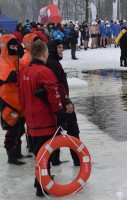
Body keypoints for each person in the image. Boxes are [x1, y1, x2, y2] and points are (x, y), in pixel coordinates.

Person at [18, 40, 68, 197]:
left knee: (38, 154)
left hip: (30, 121)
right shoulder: (44, 72)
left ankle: (39, 179)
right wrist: (61, 114)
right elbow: (54, 96)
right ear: (44, 52)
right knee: (44, 155)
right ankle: (42, 186)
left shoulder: (24, 71)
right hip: (44, 121)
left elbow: (21, 96)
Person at [46, 39, 80, 166]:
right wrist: (66, 100)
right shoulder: (54, 64)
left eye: (62, 47)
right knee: (73, 131)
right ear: (52, 49)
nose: (62, 50)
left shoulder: (49, 63)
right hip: (62, 104)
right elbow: (58, 85)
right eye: (59, 47)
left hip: (56, 105)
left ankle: (55, 159)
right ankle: (78, 160)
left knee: (57, 131)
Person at [0, 34, 26, 165]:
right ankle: (11, 156)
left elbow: (24, 72)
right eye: (13, 46)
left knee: (20, 129)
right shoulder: (2, 62)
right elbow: (11, 76)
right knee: (12, 129)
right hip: (8, 102)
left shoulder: (17, 61)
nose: (15, 48)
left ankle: (17, 152)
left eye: (17, 46)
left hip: (19, 101)